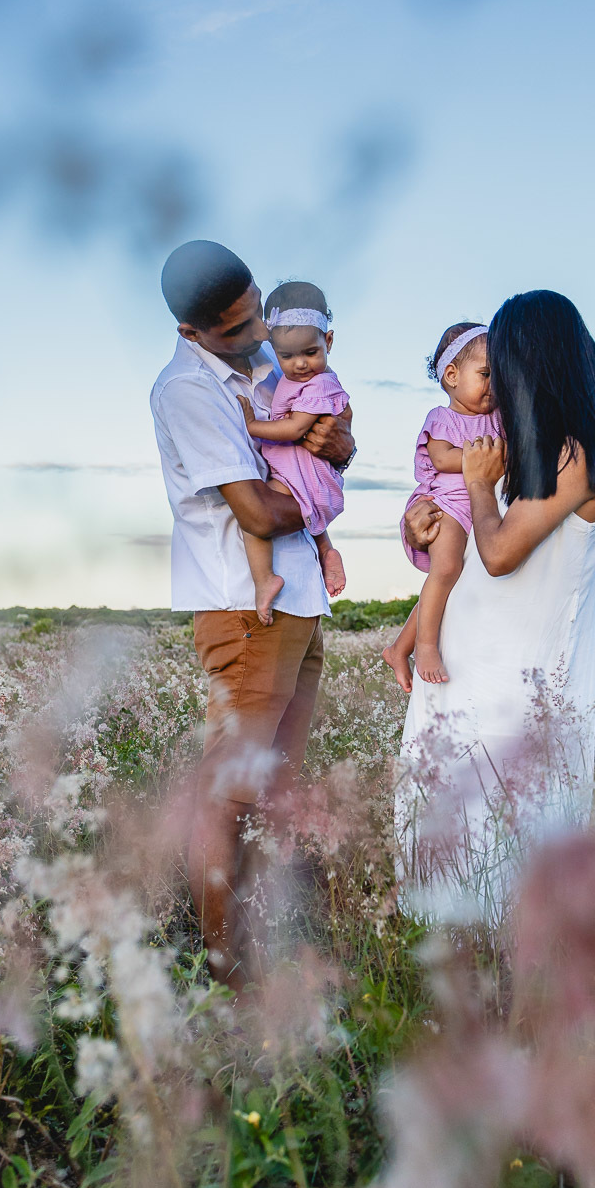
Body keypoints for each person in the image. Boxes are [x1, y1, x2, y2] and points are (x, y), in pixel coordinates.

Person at [150, 240, 355, 989]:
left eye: (255, 313)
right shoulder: (188, 392)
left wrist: (341, 444)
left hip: (296, 602)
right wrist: (323, 477)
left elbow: (327, 448)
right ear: (191, 334)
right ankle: (221, 971)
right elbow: (261, 513)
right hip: (245, 609)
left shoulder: (273, 367)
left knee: (272, 787)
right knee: (229, 793)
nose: (256, 335)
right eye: (234, 329)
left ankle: (264, 948)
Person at [396, 290, 595, 923]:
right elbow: (470, 561)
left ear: (534, 361)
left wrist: (477, 485)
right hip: (467, 677)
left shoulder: (581, 455)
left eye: (500, 357)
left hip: (521, 689)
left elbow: (499, 553)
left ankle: (510, 1002)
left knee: (510, 863)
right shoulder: (519, 452)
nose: (494, 376)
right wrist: (420, 530)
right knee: (446, 866)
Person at [381, 322, 500, 688]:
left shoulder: (497, 418)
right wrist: (488, 454)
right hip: (446, 505)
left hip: (477, 506)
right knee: (446, 569)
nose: (494, 384)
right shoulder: (442, 418)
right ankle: (426, 646)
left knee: (453, 578)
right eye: (485, 374)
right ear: (451, 375)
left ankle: (399, 647)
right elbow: (443, 459)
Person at [238, 280, 348, 626]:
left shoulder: (320, 384)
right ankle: (326, 550)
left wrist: (253, 425)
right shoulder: (301, 375)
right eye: (287, 355)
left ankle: (265, 578)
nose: (300, 364)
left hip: (305, 470)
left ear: (328, 341)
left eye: (310, 353)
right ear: (273, 347)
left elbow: (295, 429)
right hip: (298, 467)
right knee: (294, 507)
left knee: (255, 516)